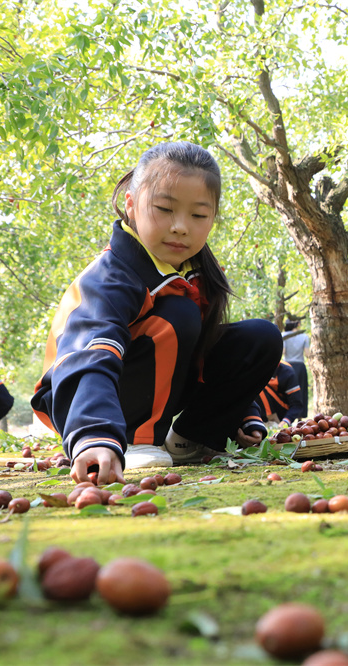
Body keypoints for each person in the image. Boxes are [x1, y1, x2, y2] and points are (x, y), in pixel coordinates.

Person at [31, 142, 282, 485]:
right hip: (79, 391)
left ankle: (188, 441)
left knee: (259, 337)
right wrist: (94, 433)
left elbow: (204, 352)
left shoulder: (196, 273)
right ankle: (135, 439)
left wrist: (242, 412)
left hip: (156, 381)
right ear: (131, 206)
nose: (181, 226)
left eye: (198, 215)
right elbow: (88, 356)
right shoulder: (109, 279)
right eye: (164, 209)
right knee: (176, 316)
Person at [255, 360, 306, 428]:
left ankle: (272, 422)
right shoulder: (256, 368)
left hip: (282, 412)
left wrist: (285, 421)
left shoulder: (287, 372)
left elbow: (296, 404)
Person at [282, 319, 310, 412]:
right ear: (297, 324)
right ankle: (300, 416)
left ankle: (287, 413)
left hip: (287, 366)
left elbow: (283, 351)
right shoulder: (304, 337)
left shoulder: (284, 335)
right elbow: (307, 354)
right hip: (300, 366)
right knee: (301, 391)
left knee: (287, 391)